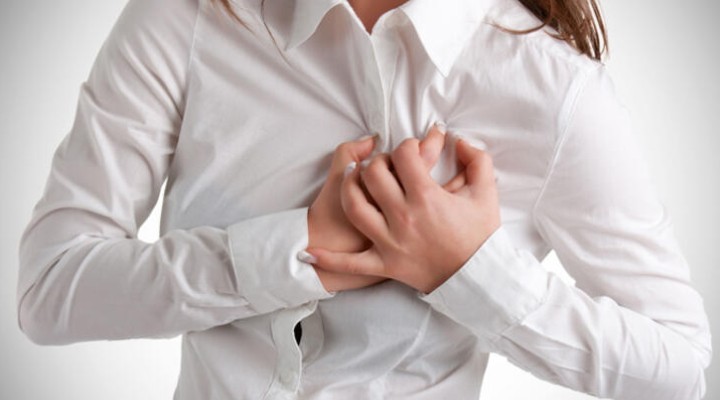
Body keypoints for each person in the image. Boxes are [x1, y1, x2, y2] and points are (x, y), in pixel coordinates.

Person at [17, 0, 711, 399]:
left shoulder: (553, 89)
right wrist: (298, 249)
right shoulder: (188, 19)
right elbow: (48, 290)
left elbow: (678, 364)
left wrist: (470, 271)